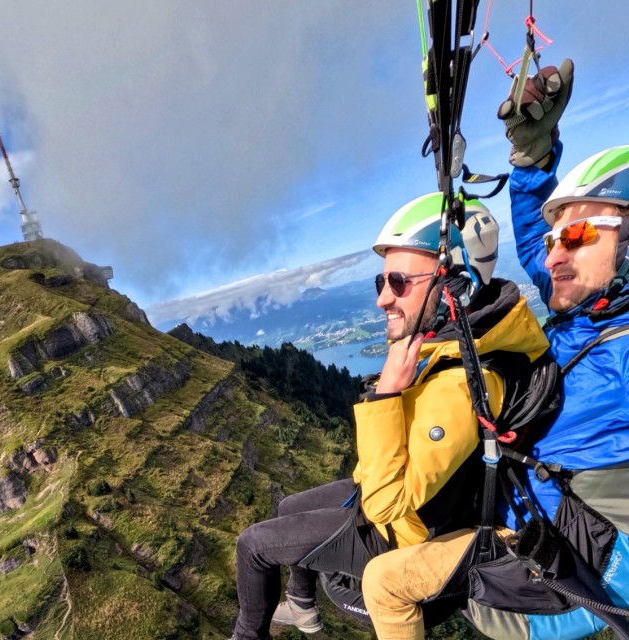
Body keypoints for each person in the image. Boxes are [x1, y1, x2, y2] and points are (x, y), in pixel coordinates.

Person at [366, 58, 629, 640]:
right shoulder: (598, 301)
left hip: (581, 565)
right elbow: (538, 246)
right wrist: (533, 160)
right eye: (560, 235)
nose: (555, 254)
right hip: (543, 507)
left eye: (579, 235)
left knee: (385, 579)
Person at [229, 194, 551, 640]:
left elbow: (387, 503)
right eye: (381, 282)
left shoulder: (462, 383)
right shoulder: (455, 347)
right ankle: (302, 606)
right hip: (397, 509)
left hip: (402, 537)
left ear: (456, 285)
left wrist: (386, 396)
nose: (383, 298)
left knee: (253, 545)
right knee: (287, 506)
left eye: (398, 282)